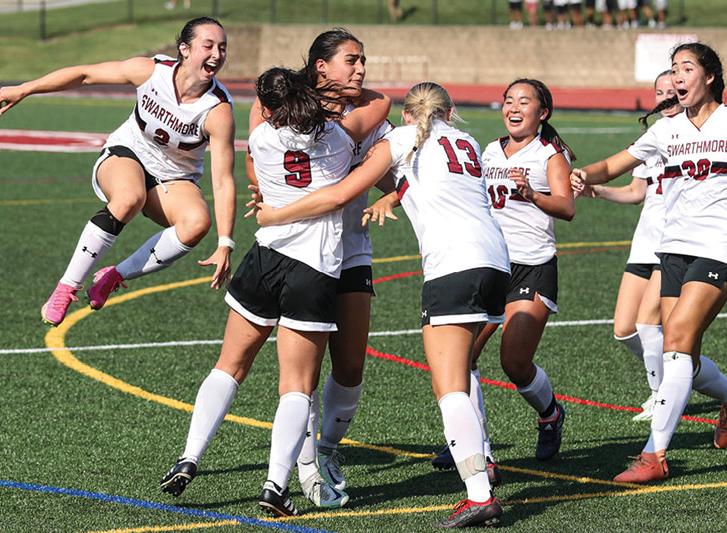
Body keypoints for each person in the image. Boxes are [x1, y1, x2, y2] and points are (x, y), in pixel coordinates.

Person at [254, 82, 509, 528]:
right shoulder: (468, 142)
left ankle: (479, 493)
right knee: (463, 372)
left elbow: (340, 193)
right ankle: (481, 465)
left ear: (408, 116)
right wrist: (395, 193)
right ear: (448, 112)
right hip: (497, 263)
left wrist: (274, 214)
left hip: (454, 264)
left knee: (450, 388)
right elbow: (439, 186)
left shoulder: (400, 138)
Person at [571, 43, 727, 483]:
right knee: (680, 350)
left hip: (719, 248)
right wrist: (584, 174)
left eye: (686, 69)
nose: (677, 77)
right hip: (672, 249)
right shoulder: (666, 130)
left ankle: (654, 455)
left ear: (710, 76)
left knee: (675, 337)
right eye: (673, 70)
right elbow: (615, 165)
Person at [158, 66, 386, 517]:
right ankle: (274, 487)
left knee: (228, 367)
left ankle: (189, 457)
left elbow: (264, 136)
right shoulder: (338, 140)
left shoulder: (260, 139)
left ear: (266, 107)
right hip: (314, 266)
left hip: (263, 260)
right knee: (296, 386)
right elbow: (378, 107)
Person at [0, 17, 237, 327]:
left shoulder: (218, 109)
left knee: (197, 224)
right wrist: (25, 89)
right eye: (208, 46)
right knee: (129, 197)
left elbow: (223, 181)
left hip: (172, 178)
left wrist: (225, 242)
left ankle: (114, 275)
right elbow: (85, 74)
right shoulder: (150, 71)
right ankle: (66, 287)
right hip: (126, 155)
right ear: (184, 49)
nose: (216, 55)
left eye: (222, 48)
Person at [245, 28, 393, 508]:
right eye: (351, 59)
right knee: (300, 372)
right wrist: (264, 185)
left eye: (363, 60)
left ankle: (326, 448)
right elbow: (254, 159)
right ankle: (305, 462)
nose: (361, 68)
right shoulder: (281, 105)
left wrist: (392, 193)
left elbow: (398, 170)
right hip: (298, 252)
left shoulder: (363, 119)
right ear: (319, 65)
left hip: (350, 250)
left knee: (350, 366)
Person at [575, 72, 727, 423]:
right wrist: (595, 186)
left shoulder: (718, 132)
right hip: (647, 244)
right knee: (626, 330)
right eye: (661, 92)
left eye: (675, 89)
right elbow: (635, 191)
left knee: (664, 335)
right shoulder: (658, 138)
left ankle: (661, 403)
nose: (669, 97)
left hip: (683, 246)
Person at [431, 78, 575, 477]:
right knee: (464, 357)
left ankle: (549, 413)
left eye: (524, 102)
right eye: (508, 100)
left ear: (541, 113)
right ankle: (477, 449)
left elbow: (566, 207)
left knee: (514, 361)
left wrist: (533, 195)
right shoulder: (489, 150)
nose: (513, 107)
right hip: (492, 264)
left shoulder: (549, 154)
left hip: (533, 266)